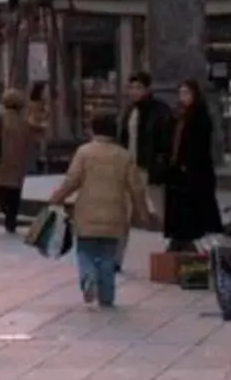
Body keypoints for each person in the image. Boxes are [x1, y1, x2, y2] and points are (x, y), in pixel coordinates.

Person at [45, 112, 151, 308]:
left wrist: (57, 198)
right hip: (115, 212)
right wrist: (142, 211)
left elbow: (72, 180)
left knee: (85, 250)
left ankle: (88, 277)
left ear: (93, 130)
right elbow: (136, 187)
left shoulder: (84, 152)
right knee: (108, 255)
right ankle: (107, 297)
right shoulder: (124, 155)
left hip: (87, 212)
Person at [162, 79, 224, 253]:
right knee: (178, 209)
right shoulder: (176, 115)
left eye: (187, 93)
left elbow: (200, 144)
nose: (184, 97)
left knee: (193, 209)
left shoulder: (200, 116)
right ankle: (179, 239)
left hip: (195, 171)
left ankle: (189, 240)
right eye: (181, 93)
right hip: (176, 172)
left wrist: (188, 163)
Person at [0, 92, 39, 236]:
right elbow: (30, 139)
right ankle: (11, 219)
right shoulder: (23, 121)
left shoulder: (0, 118)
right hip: (17, 161)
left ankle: (7, 214)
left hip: (1, 161)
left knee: (0, 191)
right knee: (14, 193)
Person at [123, 72, 176, 186]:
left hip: (150, 169)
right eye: (131, 88)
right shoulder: (129, 111)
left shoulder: (159, 111)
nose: (134, 92)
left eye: (138, 88)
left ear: (147, 90)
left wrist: (160, 164)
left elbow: (166, 140)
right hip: (130, 166)